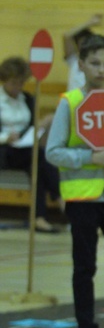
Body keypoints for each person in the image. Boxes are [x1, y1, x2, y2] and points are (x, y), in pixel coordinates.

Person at [45, 35, 104, 328]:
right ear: (81, 65)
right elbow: (53, 151)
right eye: (95, 62)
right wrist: (88, 158)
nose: (101, 69)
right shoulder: (70, 102)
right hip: (82, 199)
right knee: (85, 267)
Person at [0, 56, 61, 232]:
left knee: (38, 167)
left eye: (21, 83)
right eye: (14, 83)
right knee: (39, 158)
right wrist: (5, 137)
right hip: (4, 149)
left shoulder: (26, 98)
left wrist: (41, 126)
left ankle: (39, 217)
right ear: (5, 80)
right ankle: (61, 202)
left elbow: (33, 127)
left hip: (24, 148)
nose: (18, 87)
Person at [62, 14, 101, 91]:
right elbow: (67, 36)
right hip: (74, 102)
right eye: (82, 43)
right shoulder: (73, 60)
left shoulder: (100, 63)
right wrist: (89, 23)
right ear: (77, 45)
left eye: (87, 42)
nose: (85, 46)